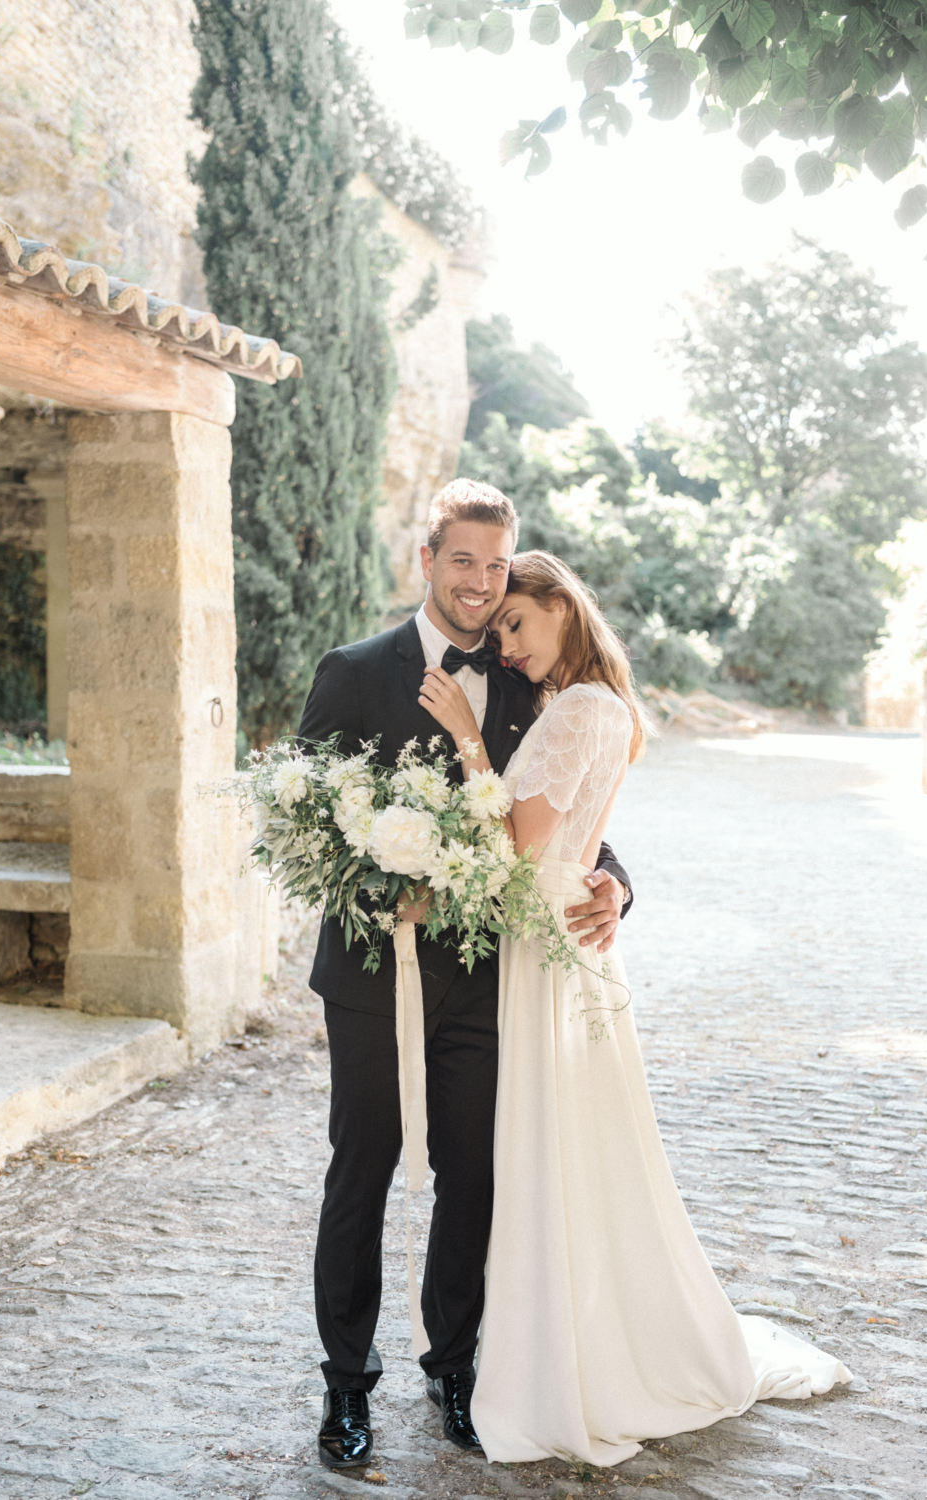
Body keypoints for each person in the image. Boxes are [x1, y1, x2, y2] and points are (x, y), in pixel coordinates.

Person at [419, 550, 853, 1466]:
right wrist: (603, 882)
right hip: (559, 939)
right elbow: (572, 842)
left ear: (561, 608)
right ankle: (567, 1336)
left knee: (554, 1148)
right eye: (496, 631)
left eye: (516, 624)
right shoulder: (601, 708)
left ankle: (566, 1357)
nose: (505, 644)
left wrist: (463, 734)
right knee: (577, 1149)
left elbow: (516, 840)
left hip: (544, 947)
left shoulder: (580, 709)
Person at [296, 481, 634, 1469]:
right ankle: (346, 1388)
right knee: (363, 1171)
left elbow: (575, 819)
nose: (484, 584)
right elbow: (306, 823)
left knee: (475, 1177)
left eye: (497, 564)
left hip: (493, 978)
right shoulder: (355, 672)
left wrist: (614, 885)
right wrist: (378, 892)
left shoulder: (533, 680)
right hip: (371, 974)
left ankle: (456, 1372)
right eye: (464, 562)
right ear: (427, 559)